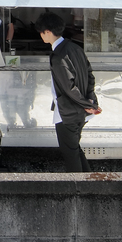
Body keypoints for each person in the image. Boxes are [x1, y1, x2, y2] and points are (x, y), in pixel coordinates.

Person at [37, 11, 100, 171]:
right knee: (74, 149)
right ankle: (88, 184)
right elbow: (90, 75)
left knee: (70, 153)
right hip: (80, 111)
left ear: (48, 32)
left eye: (41, 32)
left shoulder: (58, 56)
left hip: (68, 112)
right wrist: (90, 102)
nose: (41, 36)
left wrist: (87, 104)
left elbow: (68, 87)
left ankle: (78, 190)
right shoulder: (75, 48)